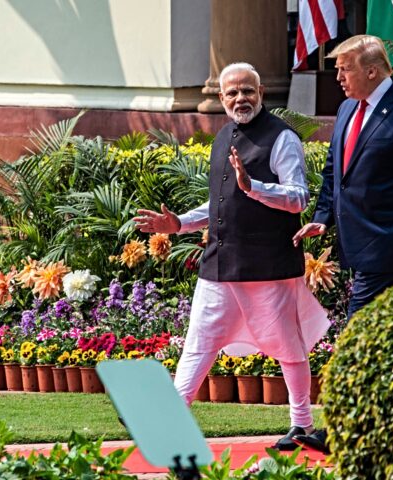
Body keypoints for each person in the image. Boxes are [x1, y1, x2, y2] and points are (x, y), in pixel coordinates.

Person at [134, 62, 330, 451]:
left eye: (248, 91)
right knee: (199, 342)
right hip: (220, 264)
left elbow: (297, 198)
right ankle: (170, 423)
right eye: (232, 93)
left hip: (268, 265)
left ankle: (301, 424)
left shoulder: (282, 138)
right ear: (222, 99)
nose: (241, 98)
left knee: (288, 345)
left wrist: (253, 185)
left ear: (261, 94)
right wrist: (179, 225)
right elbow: (219, 205)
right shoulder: (224, 136)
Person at [292, 35, 393, 452]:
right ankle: (392, 428)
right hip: (356, 246)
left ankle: (340, 433)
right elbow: (333, 174)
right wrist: (322, 219)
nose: (338, 77)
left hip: (392, 251)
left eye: (345, 69)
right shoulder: (345, 109)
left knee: (356, 337)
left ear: (372, 71)